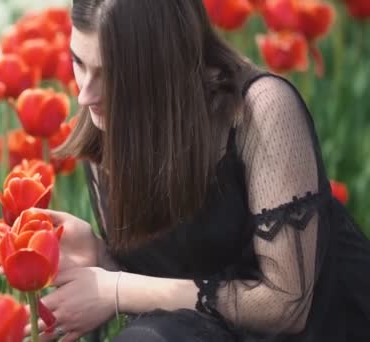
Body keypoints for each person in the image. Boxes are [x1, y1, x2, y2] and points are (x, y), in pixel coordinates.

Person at [30, 0, 370, 341]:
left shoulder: (258, 112)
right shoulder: (108, 124)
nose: (85, 95)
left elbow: (288, 305)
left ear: (164, 63)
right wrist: (101, 258)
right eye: (78, 62)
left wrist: (116, 289)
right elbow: (168, 282)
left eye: (111, 74)